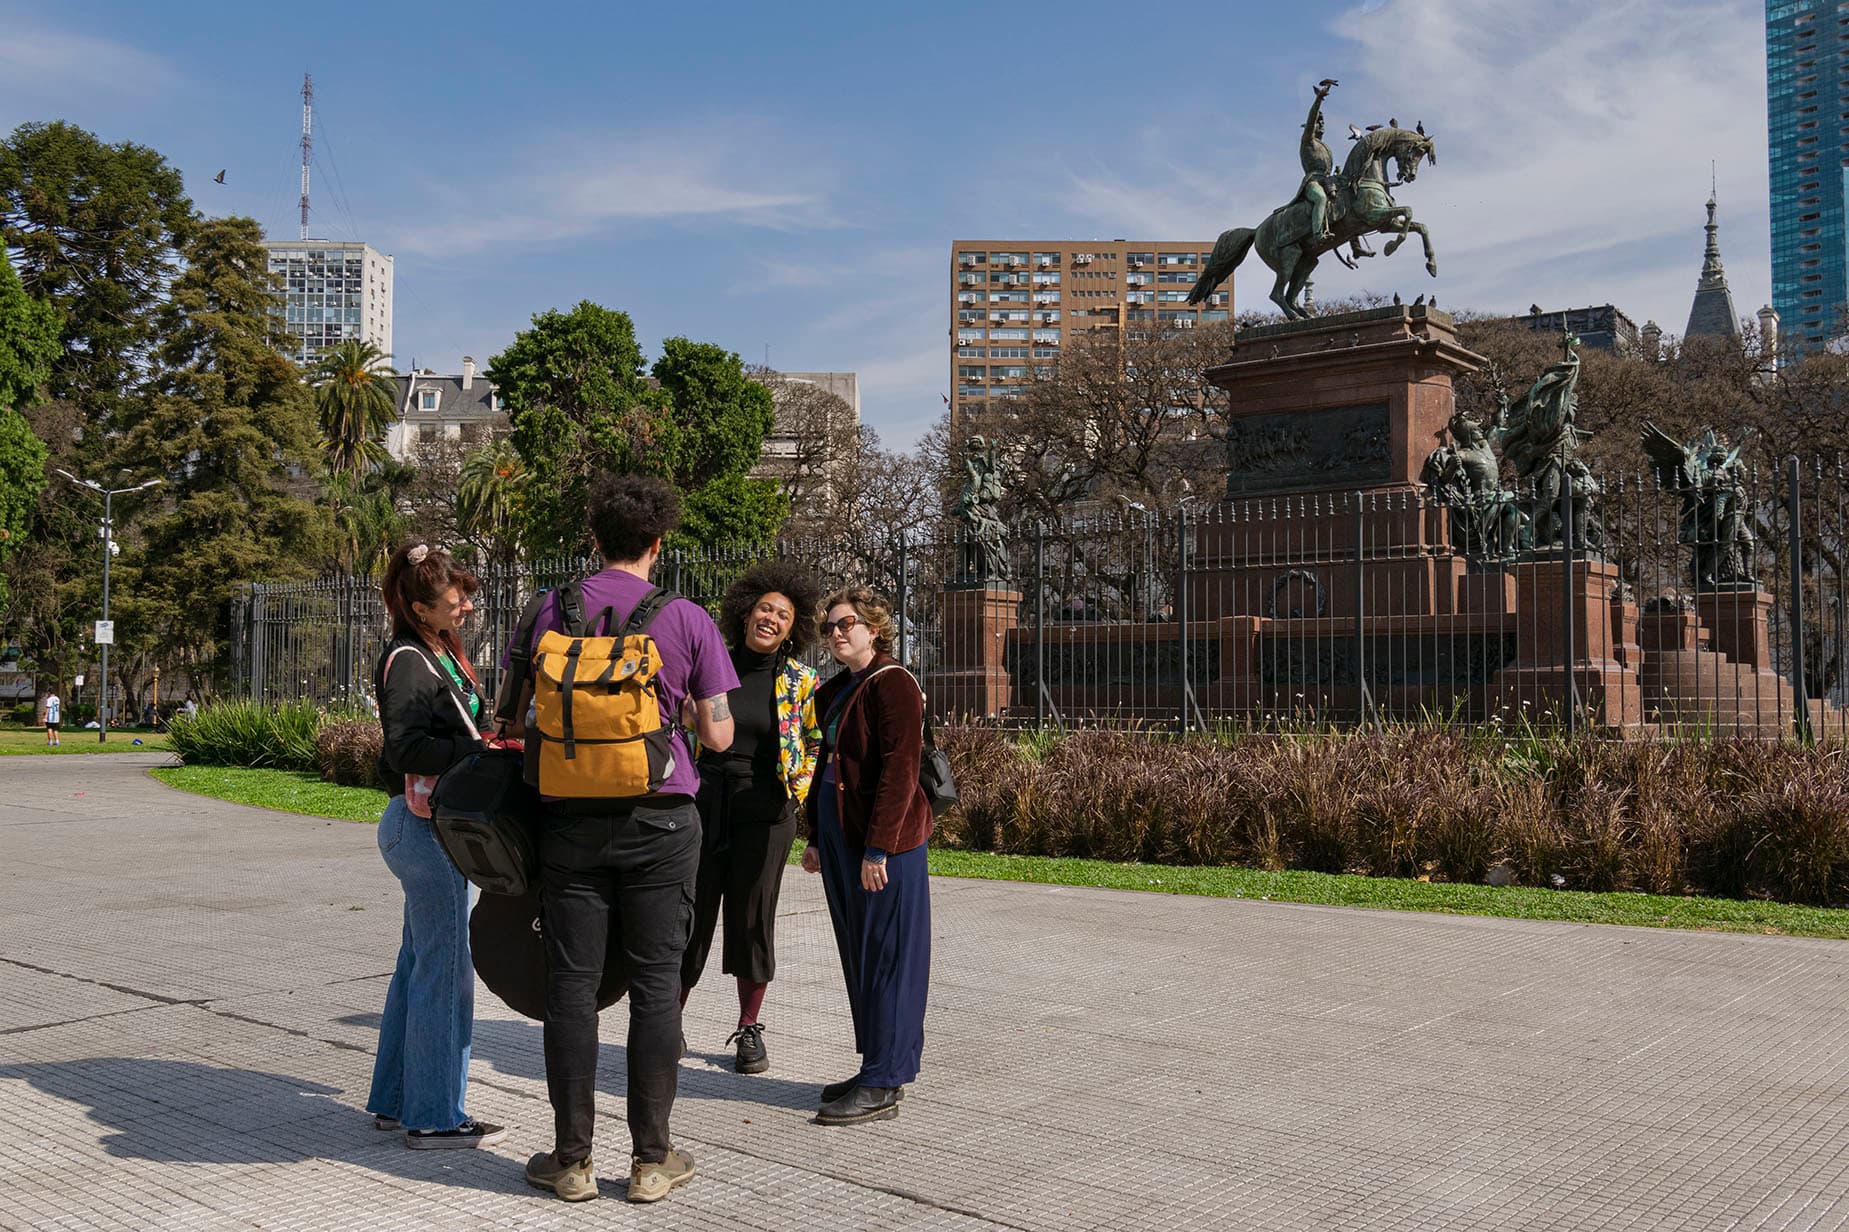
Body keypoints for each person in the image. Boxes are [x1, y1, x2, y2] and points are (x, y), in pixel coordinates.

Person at [518, 474, 737, 1205]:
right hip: (661, 821)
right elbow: (714, 729)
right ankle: (650, 1161)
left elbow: (517, 711)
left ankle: (571, 1161)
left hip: (568, 821)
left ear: (593, 538)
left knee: (571, 989)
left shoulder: (549, 608)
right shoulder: (685, 617)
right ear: (657, 541)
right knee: (653, 986)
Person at [366, 541, 506, 1151]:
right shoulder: (409, 661)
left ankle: (399, 1103)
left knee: (418, 969)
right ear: (421, 608)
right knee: (444, 976)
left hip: (428, 829)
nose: (469, 605)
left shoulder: (434, 655)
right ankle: (434, 1115)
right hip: (425, 833)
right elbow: (402, 749)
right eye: (459, 597)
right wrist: (477, 752)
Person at [679, 562, 824, 1076]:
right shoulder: (709, 665)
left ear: (793, 628)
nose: (772, 619)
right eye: (765, 608)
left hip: (765, 813)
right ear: (745, 613)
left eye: (783, 615)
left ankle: (748, 1028)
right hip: (702, 804)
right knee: (688, 915)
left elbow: (813, 744)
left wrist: (796, 793)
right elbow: (681, 722)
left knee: (753, 919)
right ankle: (666, 1024)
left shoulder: (800, 682)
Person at [802, 585, 934, 1126]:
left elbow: (900, 771)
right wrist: (814, 835)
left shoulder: (894, 683)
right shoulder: (837, 690)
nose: (837, 633)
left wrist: (879, 846)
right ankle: (875, 1063)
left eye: (847, 623)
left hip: (885, 845)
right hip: (841, 839)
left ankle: (886, 1079)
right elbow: (826, 766)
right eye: (830, 626)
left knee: (890, 958)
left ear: (873, 628)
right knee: (861, 952)